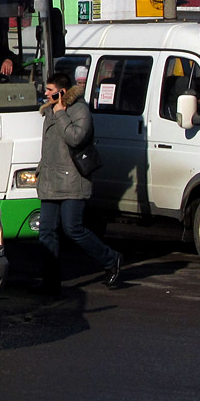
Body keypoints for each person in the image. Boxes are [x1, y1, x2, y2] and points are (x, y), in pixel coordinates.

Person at [34, 71, 122, 294]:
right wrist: (40, 170)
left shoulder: (79, 110)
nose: (45, 93)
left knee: (73, 228)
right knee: (46, 232)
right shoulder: (49, 112)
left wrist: (61, 112)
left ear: (62, 92)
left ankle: (110, 259)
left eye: (50, 90)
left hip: (73, 179)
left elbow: (75, 138)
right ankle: (50, 283)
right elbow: (49, 147)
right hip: (50, 180)